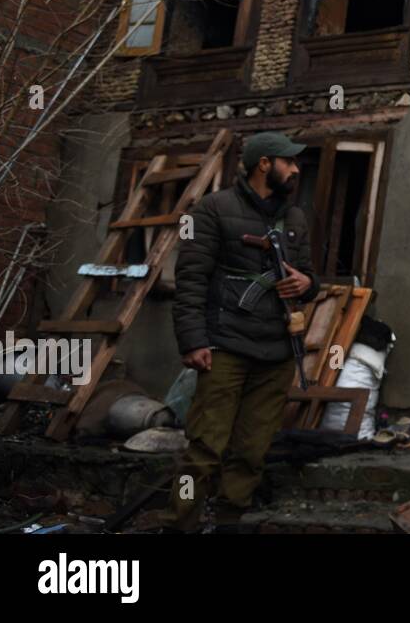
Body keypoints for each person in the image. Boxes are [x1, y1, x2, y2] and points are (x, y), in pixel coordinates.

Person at [168, 131, 320, 532]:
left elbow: (311, 277)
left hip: (277, 351)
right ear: (264, 163)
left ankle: (228, 525)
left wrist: (307, 284)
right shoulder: (214, 209)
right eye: (288, 161)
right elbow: (191, 280)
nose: (295, 168)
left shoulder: (295, 217)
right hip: (225, 348)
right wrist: (194, 340)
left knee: (252, 451)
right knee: (204, 448)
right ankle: (179, 524)